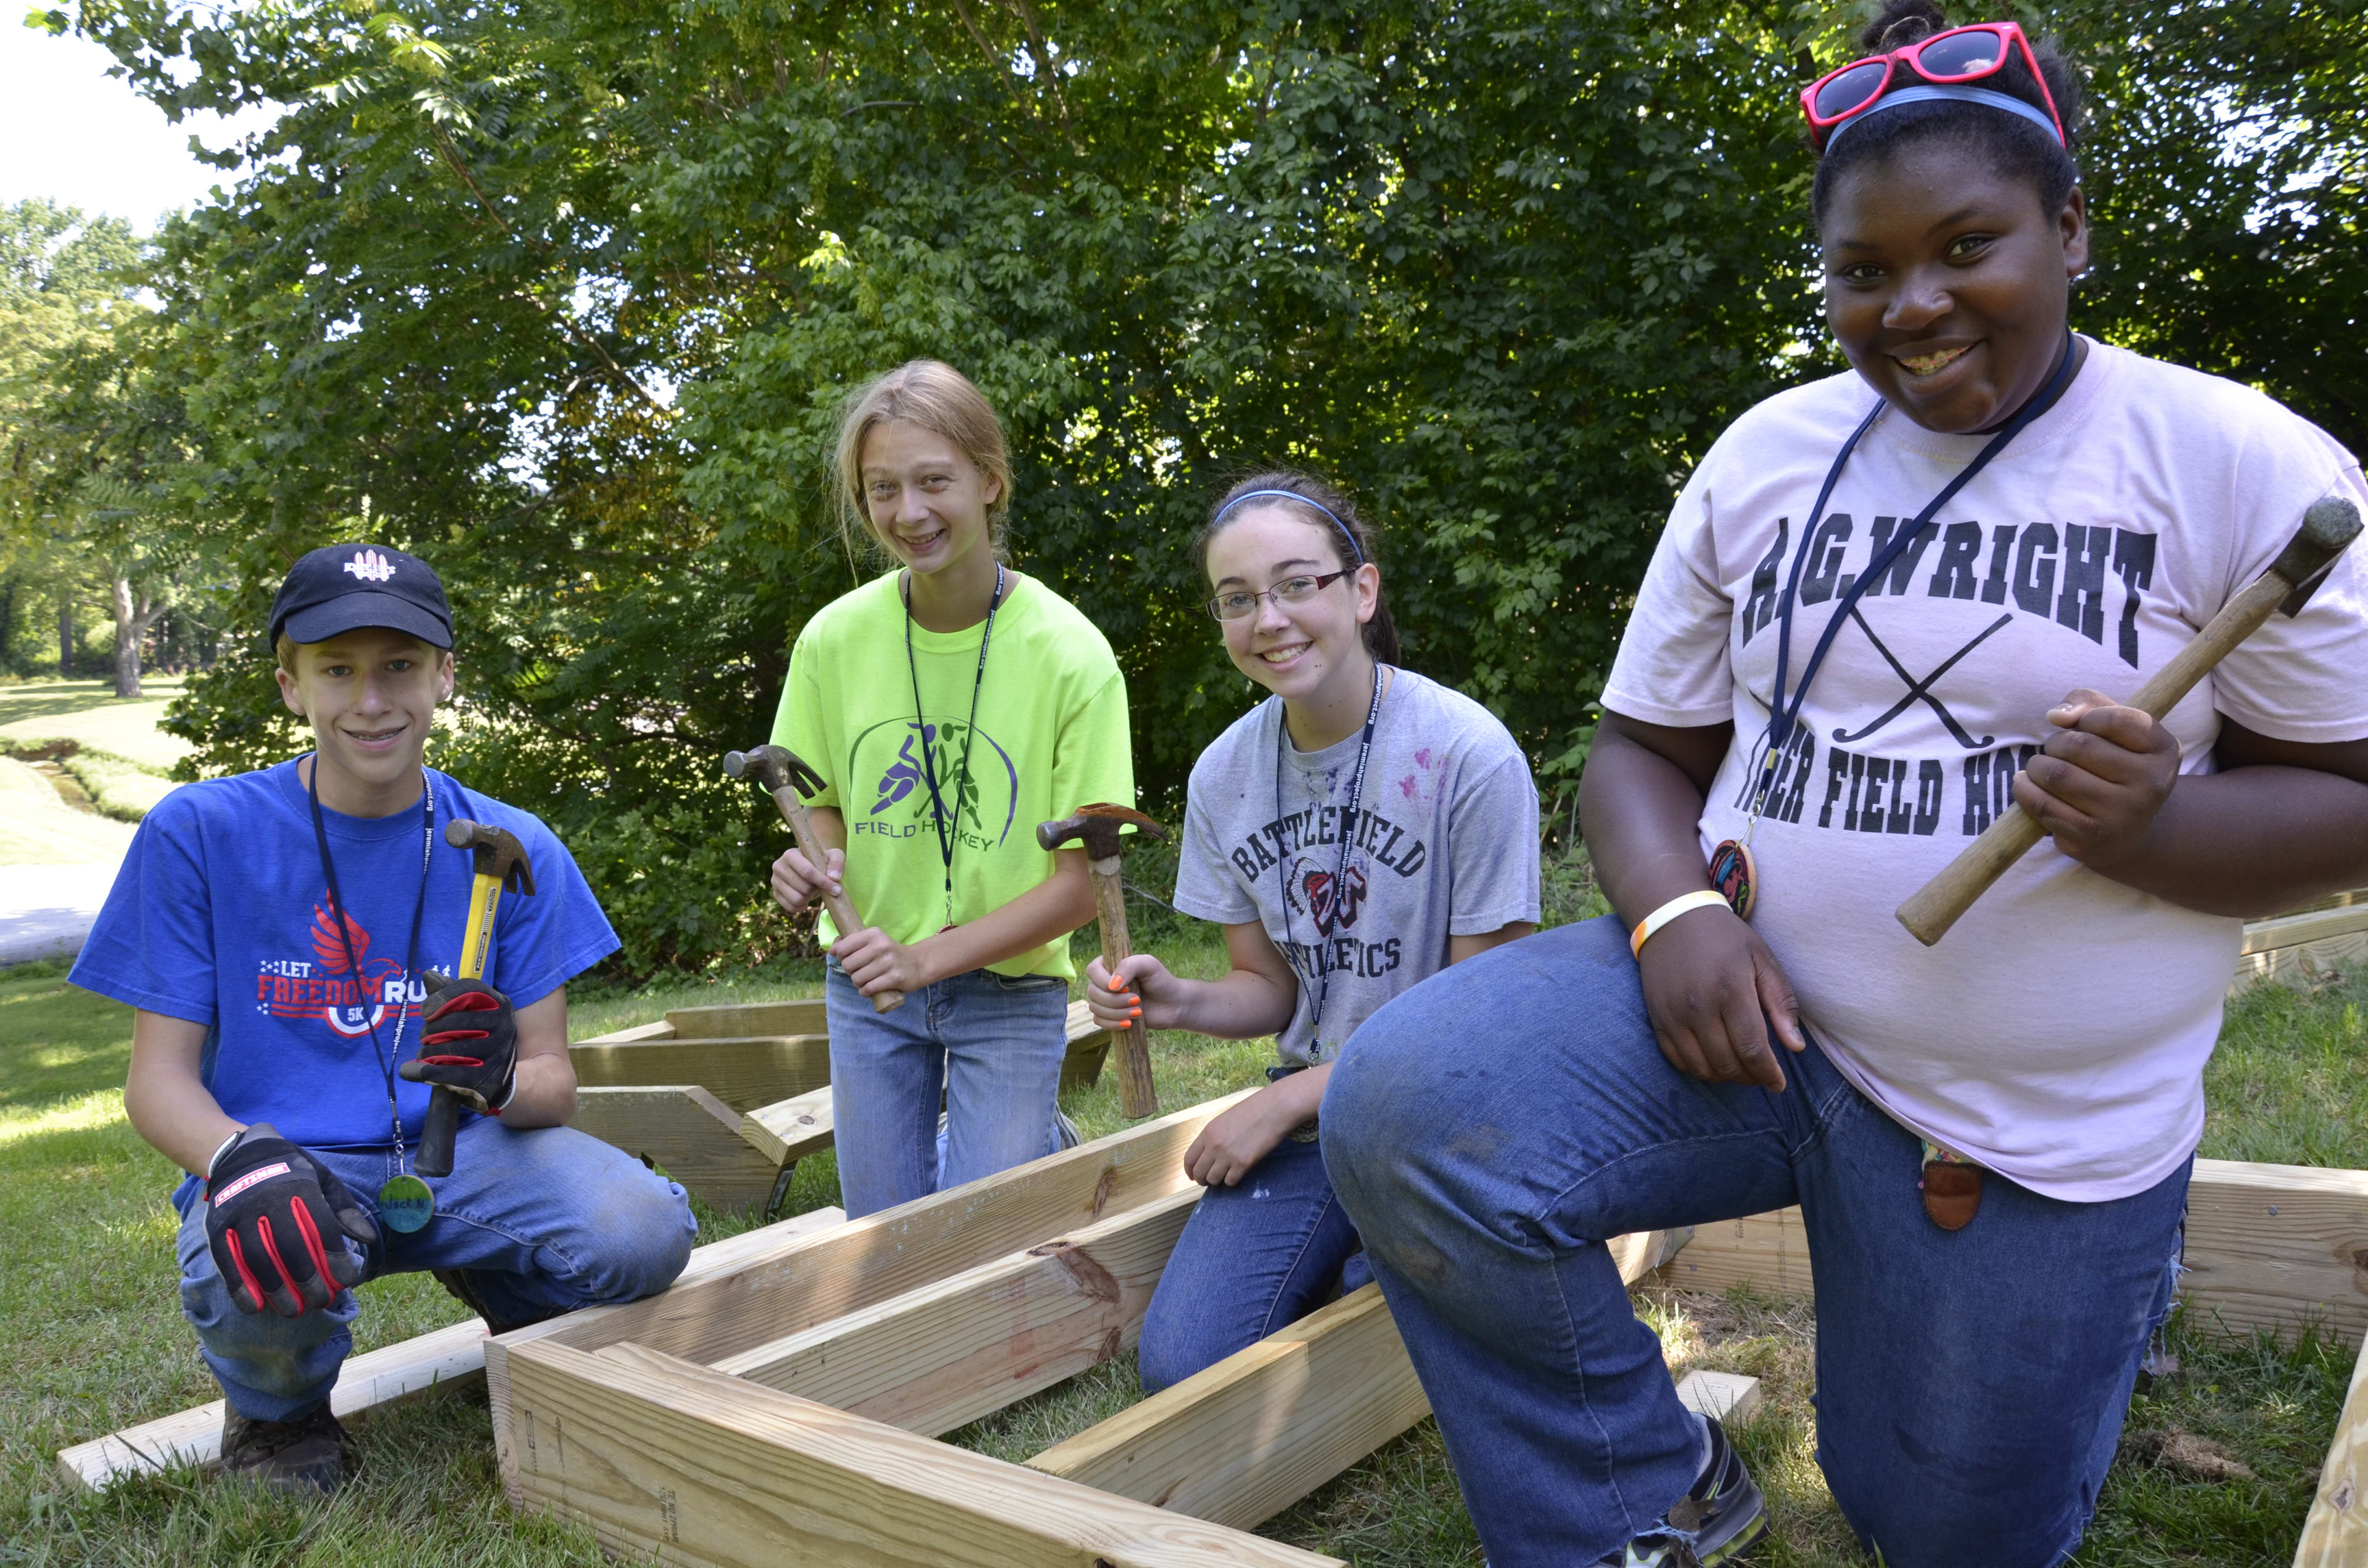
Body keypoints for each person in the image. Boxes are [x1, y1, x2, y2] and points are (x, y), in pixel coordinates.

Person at [1317, 4, 2368, 1564]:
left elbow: (2350, 801)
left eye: (1968, 248)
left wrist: (2163, 824)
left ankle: (2097, 1291)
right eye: (1863, 271)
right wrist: (1675, 916)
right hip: (1746, 1031)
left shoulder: (2239, 460)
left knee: (1935, 1529)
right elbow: (1641, 751)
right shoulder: (1768, 454)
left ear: (2072, 229)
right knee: (1412, 1110)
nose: (1915, 305)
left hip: (2025, 1123)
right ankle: (1643, 1499)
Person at [73, 543, 696, 1496]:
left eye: (399, 665)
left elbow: (554, 1087)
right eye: (338, 670)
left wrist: (498, 1080)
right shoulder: (200, 833)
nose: (372, 701)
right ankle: (279, 1418)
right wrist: (237, 1159)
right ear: (292, 685)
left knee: (641, 1229)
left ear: (444, 675)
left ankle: (511, 1287)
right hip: (289, 1162)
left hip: (465, 1157)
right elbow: (157, 1083)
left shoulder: (516, 846)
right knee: (251, 1250)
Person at [1086, 471, 1540, 1392]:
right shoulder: (1225, 776)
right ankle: (1361, 1260)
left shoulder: (1467, 755)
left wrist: (1284, 1101)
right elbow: (1269, 990)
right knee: (1184, 1368)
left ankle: (1396, 1263)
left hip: (1452, 1122)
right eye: (1238, 599)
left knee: (1393, 1322)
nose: (1270, 619)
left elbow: (1478, 1025)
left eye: (1298, 584)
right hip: (1317, 1129)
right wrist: (1179, 1001)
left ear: (1361, 591)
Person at [766, 359, 1135, 1218]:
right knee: (887, 1241)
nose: (909, 511)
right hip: (869, 987)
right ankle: (1014, 1143)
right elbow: (821, 806)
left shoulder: (1070, 655)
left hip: (1009, 990)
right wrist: (814, 861)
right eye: (883, 488)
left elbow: (1080, 887)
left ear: (990, 480)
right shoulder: (833, 641)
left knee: (978, 1237)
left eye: (934, 481)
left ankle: (1031, 1140)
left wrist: (925, 958)